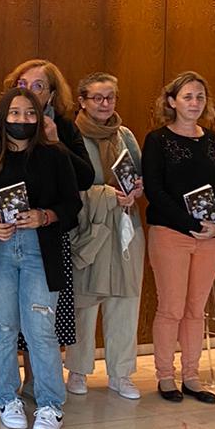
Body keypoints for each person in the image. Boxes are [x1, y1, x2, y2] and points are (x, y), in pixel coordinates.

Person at [0, 86, 82, 429]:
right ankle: (7, 399)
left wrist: (45, 216)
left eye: (30, 113)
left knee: (40, 329)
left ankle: (50, 404)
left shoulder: (55, 157)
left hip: (39, 252)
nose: (22, 120)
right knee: (2, 329)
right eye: (15, 113)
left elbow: (72, 206)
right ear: (3, 117)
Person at [141, 72, 215, 404]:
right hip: (170, 234)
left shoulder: (213, 141)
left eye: (200, 97)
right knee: (172, 309)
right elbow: (154, 190)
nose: (195, 103)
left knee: (196, 309)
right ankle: (166, 376)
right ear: (172, 101)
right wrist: (188, 222)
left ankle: (191, 376)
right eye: (188, 96)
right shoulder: (157, 140)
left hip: (209, 237)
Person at [65, 72, 145, 401]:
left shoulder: (124, 135)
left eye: (110, 97)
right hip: (89, 229)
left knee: (125, 300)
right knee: (84, 302)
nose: (104, 104)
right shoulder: (71, 136)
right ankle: (78, 370)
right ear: (82, 101)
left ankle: (121, 373)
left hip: (125, 228)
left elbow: (139, 174)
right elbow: (68, 187)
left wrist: (136, 189)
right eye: (97, 98)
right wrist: (107, 195)